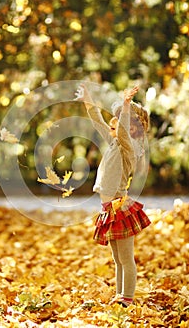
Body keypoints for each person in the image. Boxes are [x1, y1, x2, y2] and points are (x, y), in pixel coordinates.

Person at [75, 84, 151, 307]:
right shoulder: (114, 143)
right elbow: (99, 123)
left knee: (126, 259)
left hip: (121, 208)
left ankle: (127, 299)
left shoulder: (130, 147)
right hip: (108, 210)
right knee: (117, 259)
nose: (116, 122)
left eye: (122, 120)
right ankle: (120, 296)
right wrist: (88, 100)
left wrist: (126, 106)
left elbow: (123, 133)